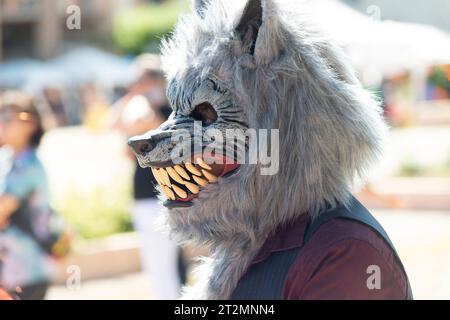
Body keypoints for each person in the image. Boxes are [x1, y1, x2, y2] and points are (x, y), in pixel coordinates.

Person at [110, 54, 185, 299]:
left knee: (167, 266)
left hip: (164, 195)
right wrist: (133, 96)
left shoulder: (168, 111)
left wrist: (137, 97)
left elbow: (141, 124)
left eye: (140, 78)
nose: (135, 83)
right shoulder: (146, 105)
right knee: (156, 265)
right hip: (145, 195)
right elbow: (112, 125)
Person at [0, 91, 57, 300]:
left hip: (26, 270)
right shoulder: (6, 159)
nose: (2, 123)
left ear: (31, 124)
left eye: (9, 118)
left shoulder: (28, 165)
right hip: (11, 270)